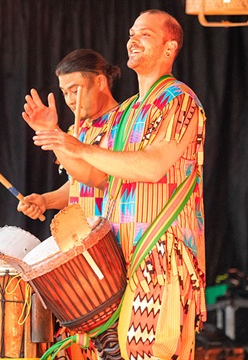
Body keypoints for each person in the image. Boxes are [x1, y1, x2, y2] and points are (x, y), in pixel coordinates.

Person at [25, 10, 206, 360]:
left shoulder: (178, 98)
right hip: (118, 255)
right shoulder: (129, 113)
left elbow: (153, 166)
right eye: (131, 33)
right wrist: (55, 137)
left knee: (145, 352)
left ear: (170, 48)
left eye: (146, 35)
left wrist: (73, 144)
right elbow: (96, 178)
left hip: (159, 253)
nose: (132, 40)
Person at [18, 50, 122, 359]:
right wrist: (45, 200)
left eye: (74, 89)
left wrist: (52, 134)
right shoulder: (77, 131)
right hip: (78, 248)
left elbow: (97, 177)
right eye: (64, 93)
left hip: (112, 246)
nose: (69, 100)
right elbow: (75, 185)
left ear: (100, 82)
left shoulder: (125, 121)